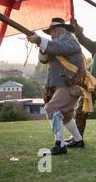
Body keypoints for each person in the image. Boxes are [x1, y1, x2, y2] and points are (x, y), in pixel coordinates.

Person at [27, 18, 85, 155]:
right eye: (51, 30)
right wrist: (38, 42)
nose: (52, 32)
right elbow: (43, 59)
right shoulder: (55, 44)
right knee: (65, 115)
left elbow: (59, 48)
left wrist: (39, 40)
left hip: (69, 83)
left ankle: (60, 144)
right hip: (60, 84)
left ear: (62, 29)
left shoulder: (70, 41)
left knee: (52, 109)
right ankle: (78, 140)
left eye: (54, 29)